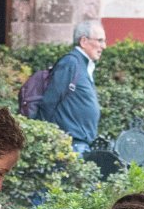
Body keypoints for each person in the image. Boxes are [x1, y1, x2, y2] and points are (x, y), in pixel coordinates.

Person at [37, 19, 106, 155]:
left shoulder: (83, 65)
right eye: (100, 40)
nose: (104, 46)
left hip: (80, 143)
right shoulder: (70, 63)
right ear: (84, 41)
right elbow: (49, 101)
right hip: (71, 144)